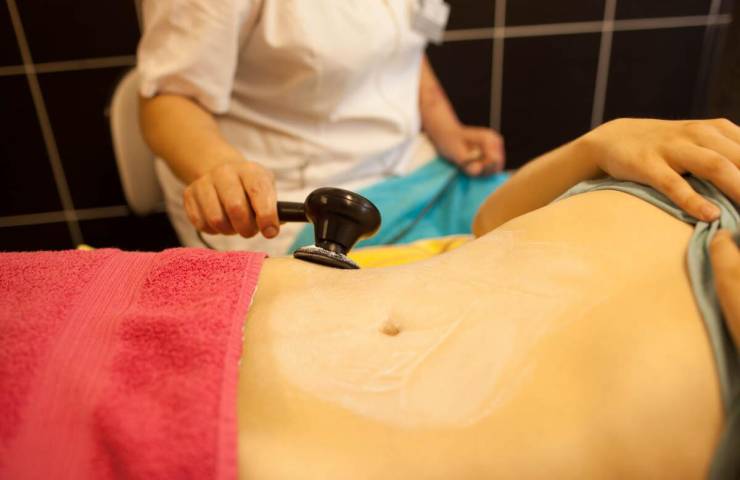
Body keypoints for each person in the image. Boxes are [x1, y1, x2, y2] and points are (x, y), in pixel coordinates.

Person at [2, 118, 739, 479]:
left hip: (265, 452)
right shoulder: (709, 149)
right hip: (170, 315)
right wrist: (596, 146)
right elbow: (493, 227)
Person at [136, 0, 506, 255]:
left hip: (417, 168)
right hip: (304, 205)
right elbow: (169, 98)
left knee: (530, 228)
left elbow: (403, 42)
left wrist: (447, 127)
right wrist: (220, 168)